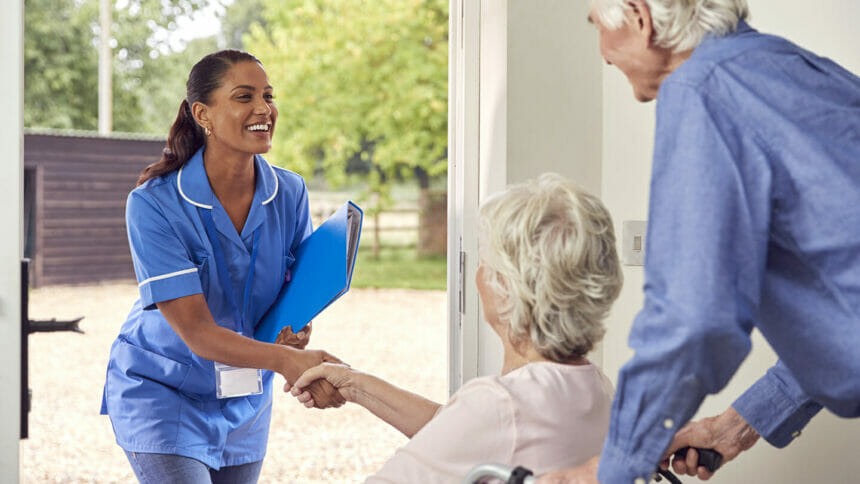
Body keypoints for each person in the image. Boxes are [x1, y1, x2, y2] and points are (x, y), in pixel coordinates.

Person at [537, 1, 860, 483]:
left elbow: (692, 317)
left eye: (597, 29)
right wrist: (733, 428)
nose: (603, 55)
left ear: (638, 17)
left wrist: (608, 471)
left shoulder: (701, 89)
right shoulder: (788, 68)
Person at [100, 50, 346, 484]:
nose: (264, 109)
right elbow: (197, 333)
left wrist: (296, 334)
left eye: (268, 96)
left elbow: (295, 295)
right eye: (243, 96)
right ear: (204, 114)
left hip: (245, 398)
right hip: (163, 392)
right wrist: (286, 362)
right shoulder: (154, 203)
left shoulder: (289, 192)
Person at [288, 173, 623, 483]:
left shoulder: (501, 405)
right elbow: (460, 434)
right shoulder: (598, 389)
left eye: (485, 263)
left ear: (507, 288)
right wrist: (355, 385)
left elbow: (475, 430)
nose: (478, 275)